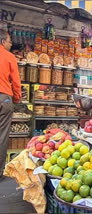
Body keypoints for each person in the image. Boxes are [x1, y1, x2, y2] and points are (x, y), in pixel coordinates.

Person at [0, 29, 21, 179]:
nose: (11, 43)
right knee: (1, 136)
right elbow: (16, 81)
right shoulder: (9, 57)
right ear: (2, 42)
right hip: (4, 98)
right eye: (9, 41)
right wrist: (17, 99)